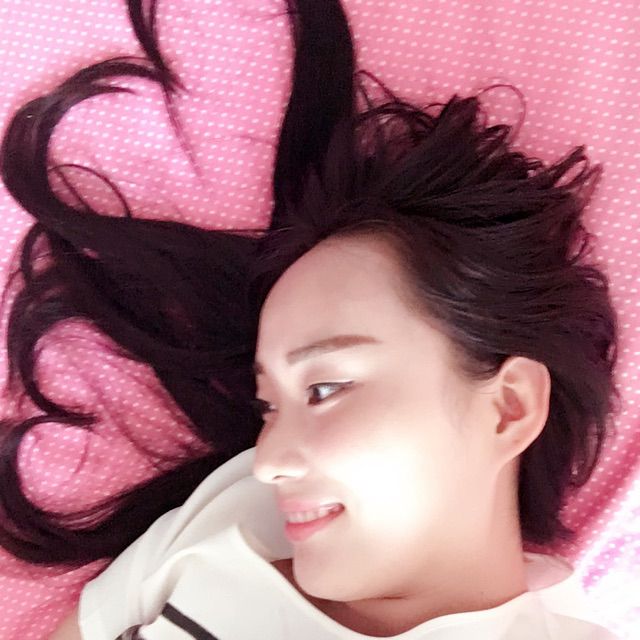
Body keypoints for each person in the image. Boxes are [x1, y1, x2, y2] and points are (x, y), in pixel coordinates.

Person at [49, 0, 622, 633]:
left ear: (508, 407)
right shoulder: (237, 518)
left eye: (324, 388)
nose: (268, 461)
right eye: (269, 407)